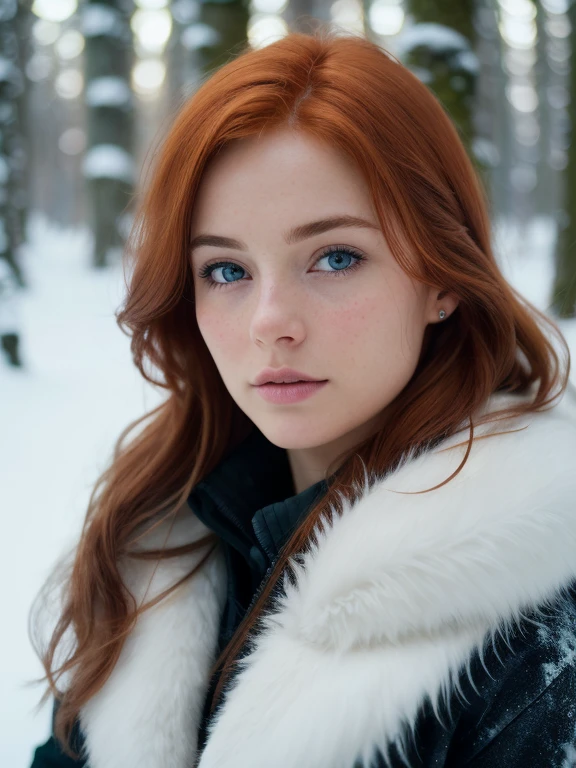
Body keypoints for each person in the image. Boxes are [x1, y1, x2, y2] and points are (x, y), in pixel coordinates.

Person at [28, 27, 576, 768]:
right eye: (225, 270)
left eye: (336, 257)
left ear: (444, 278)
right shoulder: (156, 531)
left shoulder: (534, 639)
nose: (270, 324)